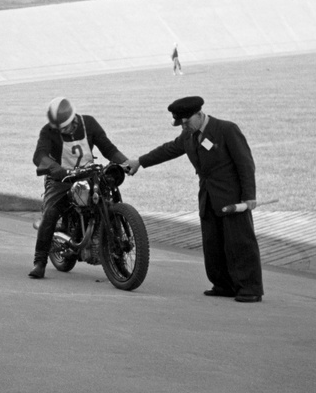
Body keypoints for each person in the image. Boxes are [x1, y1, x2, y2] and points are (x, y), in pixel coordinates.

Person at [125, 96, 264, 302]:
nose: (183, 127)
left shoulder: (226, 130)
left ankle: (250, 288)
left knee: (240, 244)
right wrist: (140, 161)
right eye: (180, 124)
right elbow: (169, 150)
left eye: (186, 122)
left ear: (199, 115)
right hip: (208, 197)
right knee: (213, 244)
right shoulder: (189, 135)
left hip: (232, 199)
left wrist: (249, 197)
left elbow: (245, 164)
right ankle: (223, 284)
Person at [29, 96, 130, 279]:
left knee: (109, 195)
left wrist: (124, 162)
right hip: (61, 180)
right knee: (51, 212)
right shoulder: (48, 131)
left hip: (90, 175)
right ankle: (40, 261)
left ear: (73, 118)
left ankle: (116, 251)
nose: (61, 130)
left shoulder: (88, 123)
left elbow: (107, 148)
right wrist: (55, 169)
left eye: (65, 126)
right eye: (59, 127)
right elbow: (39, 155)